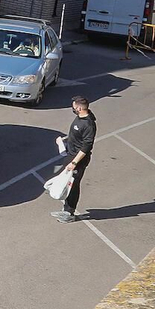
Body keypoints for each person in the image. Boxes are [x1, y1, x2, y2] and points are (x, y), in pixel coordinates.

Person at [53, 96, 96, 224]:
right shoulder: (80, 118)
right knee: (67, 182)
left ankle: (69, 212)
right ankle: (66, 209)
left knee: (73, 184)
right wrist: (64, 141)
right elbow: (77, 137)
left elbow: (86, 146)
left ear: (79, 108)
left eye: (73, 107)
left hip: (77, 159)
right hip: (71, 154)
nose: (72, 108)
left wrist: (74, 162)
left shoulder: (88, 124)